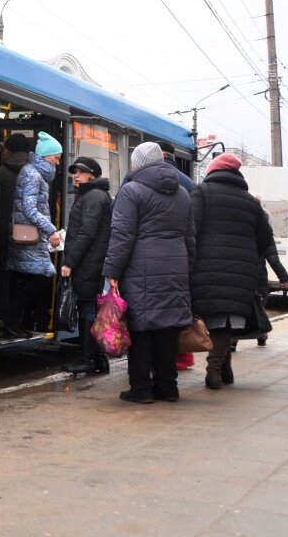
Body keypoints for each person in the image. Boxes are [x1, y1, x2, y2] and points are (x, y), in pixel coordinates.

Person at [103, 142, 194, 404]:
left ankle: (141, 388)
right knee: (167, 328)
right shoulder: (182, 193)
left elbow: (122, 235)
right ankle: (168, 387)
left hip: (139, 267)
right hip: (175, 268)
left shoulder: (131, 191)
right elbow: (191, 238)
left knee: (140, 328)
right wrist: (188, 268)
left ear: (138, 163)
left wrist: (112, 270)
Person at [189, 153, 273, 390]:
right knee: (226, 320)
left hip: (206, 265)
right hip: (241, 269)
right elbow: (264, 237)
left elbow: (191, 228)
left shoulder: (201, 192)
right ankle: (223, 369)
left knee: (214, 319)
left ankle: (213, 370)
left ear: (213, 171)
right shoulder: (249, 201)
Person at [5, 131, 62, 334]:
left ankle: (14, 324)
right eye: (56, 158)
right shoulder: (33, 174)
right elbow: (29, 208)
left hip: (31, 236)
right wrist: (51, 229)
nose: (57, 163)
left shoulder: (34, 173)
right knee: (42, 277)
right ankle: (11, 322)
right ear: (45, 156)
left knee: (30, 279)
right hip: (30, 236)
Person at [60, 157, 113, 374]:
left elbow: (87, 233)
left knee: (87, 309)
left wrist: (69, 263)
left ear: (92, 175)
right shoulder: (93, 195)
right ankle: (99, 360)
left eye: (81, 172)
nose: (76, 175)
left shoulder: (93, 196)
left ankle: (87, 359)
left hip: (88, 263)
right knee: (89, 308)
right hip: (91, 261)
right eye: (75, 171)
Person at [157, 141, 197, 372]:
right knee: (176, 307)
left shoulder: (136, 180)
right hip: (179, 256)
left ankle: (155, 364)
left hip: (145, 257)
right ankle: (182, 357)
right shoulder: (189, 184)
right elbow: (193, 227)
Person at [0, 134, 32, 337]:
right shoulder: (32, 174)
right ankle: (12, 319)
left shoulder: (0, 173)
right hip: (25, 237)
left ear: (8, 151)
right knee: (16, 277)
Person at [250, 193, 288, 347]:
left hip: (242, 274)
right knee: (259, 305)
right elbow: (272, 257)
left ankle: (233, 341)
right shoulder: (265, 231)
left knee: (239, 306)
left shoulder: (240, 229)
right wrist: (284, 278)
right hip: (259, 276)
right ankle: (261, 334)